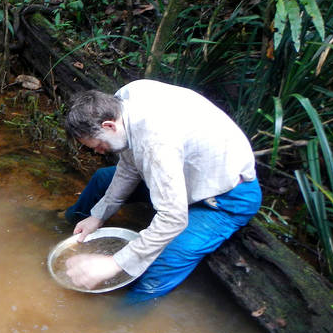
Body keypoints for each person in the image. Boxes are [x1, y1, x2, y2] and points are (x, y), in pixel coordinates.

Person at [61, 79, 261, 302]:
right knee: (102, 180)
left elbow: (174, 218)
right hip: (182, 176)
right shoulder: (123, 100)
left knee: (160, 265)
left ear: (109, 126)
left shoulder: (155, 141)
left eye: (98, 145)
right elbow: (128, 164)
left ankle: (118, 321)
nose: (98, 152)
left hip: (225, 198)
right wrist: (98, 216)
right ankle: (66, 227)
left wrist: (113, 263)